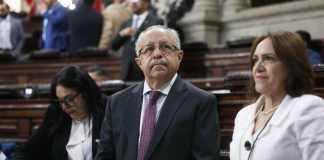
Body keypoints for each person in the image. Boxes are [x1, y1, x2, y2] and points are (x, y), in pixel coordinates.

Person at [95, 25, 219, 160]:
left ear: (179, 56)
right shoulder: (116, 103)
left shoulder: (201, 102)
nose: (157, 54)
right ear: (139, 62)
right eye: (149, 49)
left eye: (165, 47)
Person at [230, 32, 324, 160]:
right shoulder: (243, 115)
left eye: (268, 58)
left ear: (291, 66)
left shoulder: (308, 108)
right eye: (255, 59)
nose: (258, 67)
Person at [14, 65, 107, 160]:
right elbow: (26, 151)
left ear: (85, 92)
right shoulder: (57, 113)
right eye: (60, 101)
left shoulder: (106, 110)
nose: (64, 107)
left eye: (69, 99)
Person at [111, 0, 163, 81]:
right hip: (127, 71)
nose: (133, 2)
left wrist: (138, 33)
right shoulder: (126, 23)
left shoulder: (156, 21)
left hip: (145, 70)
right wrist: (122, 34)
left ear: (146, 3)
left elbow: (155, 43)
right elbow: (113, 47)